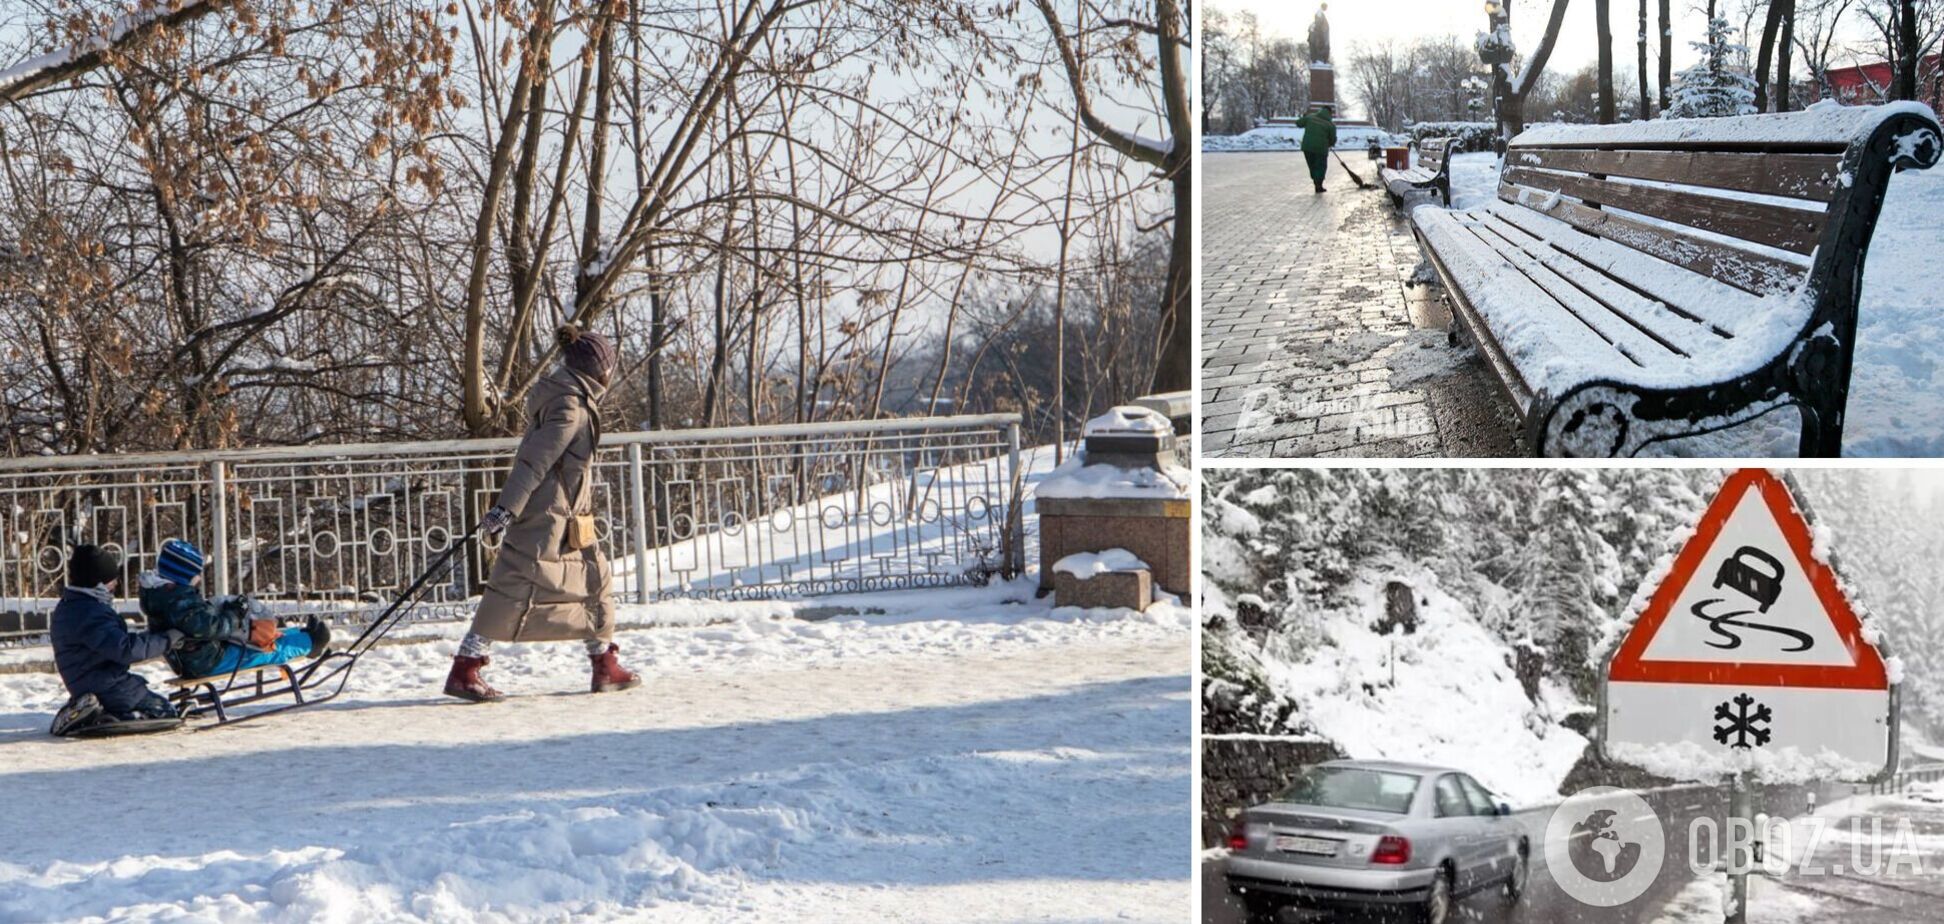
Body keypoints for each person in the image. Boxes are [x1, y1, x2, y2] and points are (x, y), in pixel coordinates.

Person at [444, 324, 642, 702]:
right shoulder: (569, 405)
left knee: (593, 582)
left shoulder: (573, 398)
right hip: (547, 517)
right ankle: (465, 668)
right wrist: (505, 509)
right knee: (512, 586)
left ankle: (603, 663)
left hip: (567, 515)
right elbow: (533, 462)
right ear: (598, 368)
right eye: (610, 365)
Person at [138, 538, 329, 679]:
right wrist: (234, 613)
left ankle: (298, 632)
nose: (198, 579)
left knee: (255, 637)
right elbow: (213, 627)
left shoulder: (160, 593)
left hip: (195, 653)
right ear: (182, 575)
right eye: (195, 575)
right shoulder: (179, 601)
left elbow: (198, 622)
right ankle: (310, 642)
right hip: (206, 661)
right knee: (264, 652)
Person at [49, 544, 181, 735]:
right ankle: (100, 716)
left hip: (88, 680)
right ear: (98, 583)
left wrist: (154, 637)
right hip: (108, 685)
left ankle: (91, 709)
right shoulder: (91, 613)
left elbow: (114, 642)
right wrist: (168, 639)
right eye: (112, 580)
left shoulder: (72, 606)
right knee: (164, 711)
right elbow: (125, 649)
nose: (116, 585)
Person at [1294, 104, 1338, 193]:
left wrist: (1304, 117)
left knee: (1313, 166)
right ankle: (1318, 185)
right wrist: (1330, 143)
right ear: (1330, 113)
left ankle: (1316, 183)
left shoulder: (1310, 117)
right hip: (1321, 149)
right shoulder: (1330, 125)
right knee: (1320, 167)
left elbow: (1298, 123)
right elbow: (1333, 139)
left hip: (1307, 147)